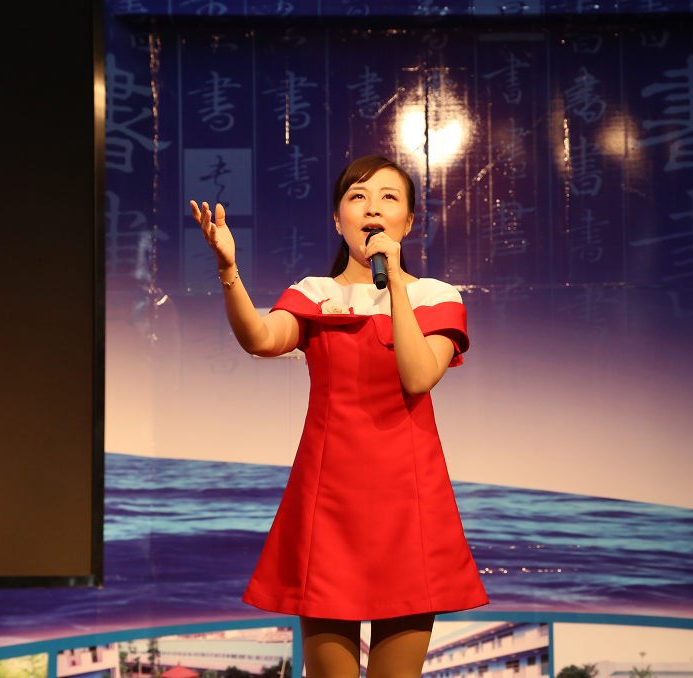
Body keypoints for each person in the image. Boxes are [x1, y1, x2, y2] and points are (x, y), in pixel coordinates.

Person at [189, 155, 489, 678]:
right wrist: (228, 271)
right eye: (357, 197)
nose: (372, 208)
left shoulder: (434, 295)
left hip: (409, 502)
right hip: (326, 502)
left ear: (408, 222)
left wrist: (395, 285)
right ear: (337, 219)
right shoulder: (315, 293)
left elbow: (419, 377)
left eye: (388, 198)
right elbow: (261, 339)